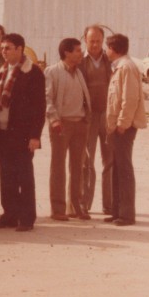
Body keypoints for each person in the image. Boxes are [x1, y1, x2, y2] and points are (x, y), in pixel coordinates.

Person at [0, 33, 45, 232]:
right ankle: (10, 214)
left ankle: (27, 218)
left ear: (20, 49)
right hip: (3, 132)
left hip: (22, 135)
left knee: (24, 177)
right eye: (2, 48)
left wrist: (35, 136)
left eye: (8, 48)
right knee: (7, 176)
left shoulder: (33, 73)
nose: (3, 51)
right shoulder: (2, 71)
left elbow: (39, 108)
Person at [45, 37, 92, 221]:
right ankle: (58, 209)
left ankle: (76, 206)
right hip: (61, 125)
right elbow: (47, 99)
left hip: (80, 124)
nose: (81, 54)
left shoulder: (79, 72)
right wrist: (54, 120)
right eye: (78, 50)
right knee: (58, 167)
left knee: (78, 167)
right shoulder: (52, 72)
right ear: (67, 52)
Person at [104, 33, 146, 226]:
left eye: (107, 47)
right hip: (117, 127)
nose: (106, 51)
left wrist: (122, 123)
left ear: (114, 49)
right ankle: (117, 211)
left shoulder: (126, 68)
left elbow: (130, 99)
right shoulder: (120, 67)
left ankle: (127, 214)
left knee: (124, 169)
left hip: (124, 127)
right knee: (117, 169)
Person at [80, 24, 114, 215]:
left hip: (107, 115)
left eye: (98, 41)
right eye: (92, 41)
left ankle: (109, 205)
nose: (95, 44)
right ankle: (85, 203)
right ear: (85, 40)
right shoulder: (80, 61)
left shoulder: (110, 60)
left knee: (109, 161)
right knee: (87, 161)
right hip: (89, 117)